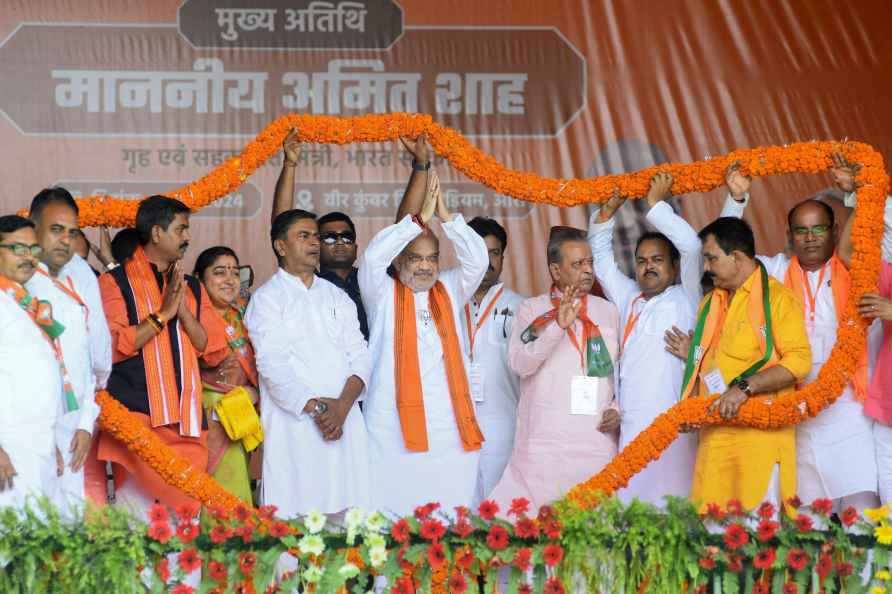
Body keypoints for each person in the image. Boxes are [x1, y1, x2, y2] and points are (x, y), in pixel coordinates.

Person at [719, 155, 879, 515]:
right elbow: (729, 257)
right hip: (797, 411)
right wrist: (737, 201)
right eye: (801, 231)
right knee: (808, 520)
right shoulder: (773, 271)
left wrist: (855, 194)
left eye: (819, 229)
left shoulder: (858, 269)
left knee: (863, 516)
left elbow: (870, 233)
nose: (809, 239)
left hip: (850, 411)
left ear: (834, 233)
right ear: (789, 236)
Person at [358, 135, 489, 516]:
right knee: (392, 520)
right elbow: (372, 257)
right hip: (391, 431)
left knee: (448, 520)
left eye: (432, 258)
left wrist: (448, 220)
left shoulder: (449, 288)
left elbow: (477, 262)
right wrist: (415, 223)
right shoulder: (381, 291)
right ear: (400, 263)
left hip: (450, 431)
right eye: (415, 258)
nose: (426, 266)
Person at [96, 196, 226, 513]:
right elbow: (112, 347)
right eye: (181, 229)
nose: (187, 237)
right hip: (138, 427)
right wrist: (161, 316)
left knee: (184, 540)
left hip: (188, 428)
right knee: (139, 531)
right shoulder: (113, 283)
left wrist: (181, 311)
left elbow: (213, 349)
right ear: (157, 233)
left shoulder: (192, 287)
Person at [246, 209, 371, 518]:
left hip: (345, 423)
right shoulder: (266, 299)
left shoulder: (336, 296)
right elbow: (273, 366)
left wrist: (342, 407)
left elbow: (361, 355)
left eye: (315, 236)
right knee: (296, 523)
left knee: (350, 522)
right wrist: (319, 410)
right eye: (304, 236)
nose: (314, 242)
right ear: (280, 245)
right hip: (297, 426)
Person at [682, 216, 811, 514]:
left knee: (753, 545)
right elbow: (706, 366)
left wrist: (744, 389)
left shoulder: (778, 300)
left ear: (736, 257)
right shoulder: (709, 304)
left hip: (758, 447)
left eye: (711, 258)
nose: (706, 268)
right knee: (713, 547)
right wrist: (689, 404)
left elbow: (799, 361)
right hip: (715, 443)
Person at [489, 226, 620, 512]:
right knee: (534, 529)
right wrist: (556, 328)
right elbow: (520, 364)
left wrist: (617, 407)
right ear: (556, 271)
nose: (587, 271)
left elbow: (623, 374)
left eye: (589, 263)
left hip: (595, 439)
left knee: (593, 531)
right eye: (577, 264)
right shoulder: (531, 310)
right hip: (543, 442)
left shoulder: (609, 311)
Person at [587, 173, 699, 505]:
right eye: (641, 261)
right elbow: (602, 261)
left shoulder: (689, 296)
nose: (647, 267)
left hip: (675, 432)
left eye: (657, 260)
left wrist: (656, 207)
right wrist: (607, 213)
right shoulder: (629, 297)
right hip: (632, 428)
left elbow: (692, 246)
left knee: (676, 515)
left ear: (675, 266)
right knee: (634, 516)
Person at [25, 189, 102, 514]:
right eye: (56, 230)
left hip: (73, 433)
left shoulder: (76, 281)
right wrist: (42, 438)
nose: (65, 241)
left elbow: (87, 362)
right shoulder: (16, 285)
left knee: (66, 541)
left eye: (72, 233)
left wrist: (85, 423)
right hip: (26, 432)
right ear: (33, 228)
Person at [270, 128, 369, 339]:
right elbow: (283, 225)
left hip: (371, 369)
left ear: (356, 246)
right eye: (330, 237)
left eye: (347, 237)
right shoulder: (308, 280)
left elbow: (405, 228)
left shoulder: (371, 279)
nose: (340, 242)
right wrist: (290, 164)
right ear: (316, 244)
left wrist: (420, 166)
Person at [0, 215, 64, 510]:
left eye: (34, 250)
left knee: (42, 548)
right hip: (9, 449)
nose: (29, 258)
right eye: (18, 249)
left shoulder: (26, 300)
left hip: (40, 446)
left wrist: (51, 444)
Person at [194, 246, 261, 506]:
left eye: (234, 272)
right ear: (200, 279)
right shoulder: (192, 316)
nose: (230, 279)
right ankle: (223, 542)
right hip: (210, 415)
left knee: (241, 477)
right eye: (220, 272)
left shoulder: (244, 314)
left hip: (244, 410)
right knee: (222, 488)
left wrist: (254, 393)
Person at [464, 216, 524, 504]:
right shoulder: (446, 300)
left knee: (496, 507)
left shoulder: (521, 306)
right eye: (481, 252)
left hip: (502, 422)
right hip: (452, 423)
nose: (488, 262)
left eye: (495, 253)